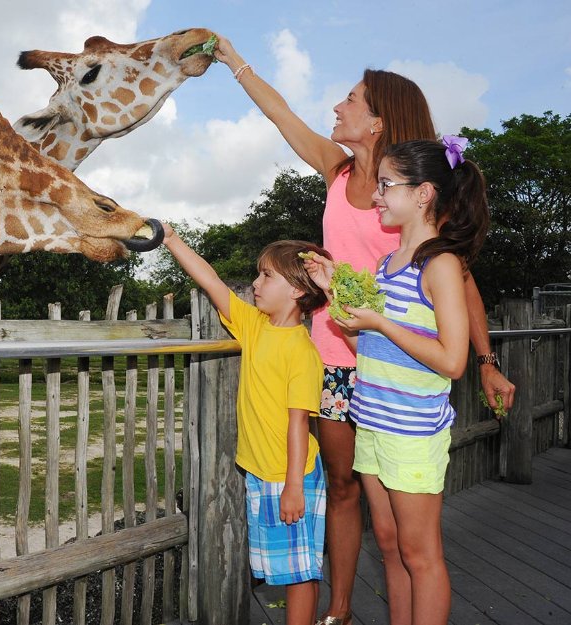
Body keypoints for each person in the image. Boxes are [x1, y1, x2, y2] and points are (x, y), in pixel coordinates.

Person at [212, 35, 515, 625]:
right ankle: (341, 607)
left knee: (400, 522)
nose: (337, 106)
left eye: (350, 99)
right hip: (333, 354)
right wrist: (233, 61)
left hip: (391, 366)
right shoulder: (338, 169)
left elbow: (461, 285)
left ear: (378, 120)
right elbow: (282, 115)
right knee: (344, 488)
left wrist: (484, 359)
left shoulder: (416, 197)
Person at [304, 137, 490, 624]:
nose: (377, 196)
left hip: (411, 433)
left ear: (424, 193)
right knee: (389, 545)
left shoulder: (441, 264)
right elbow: (369, 354)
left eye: (387, 185)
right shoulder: (388, 266)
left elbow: (453, 361)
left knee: (420, 554)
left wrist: (383, 323)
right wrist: (336, 295)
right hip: (373, 424)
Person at [162, 228, 330, 625]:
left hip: (292, 475)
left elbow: (298, 423)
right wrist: (171, 240)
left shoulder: (302, 353)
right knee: (288, 563)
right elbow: (211, 281)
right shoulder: (255, 326)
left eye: (267, 276)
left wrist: (292, 486)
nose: (255, 283)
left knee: (300, 572)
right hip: (263, 472)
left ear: (297, 290)